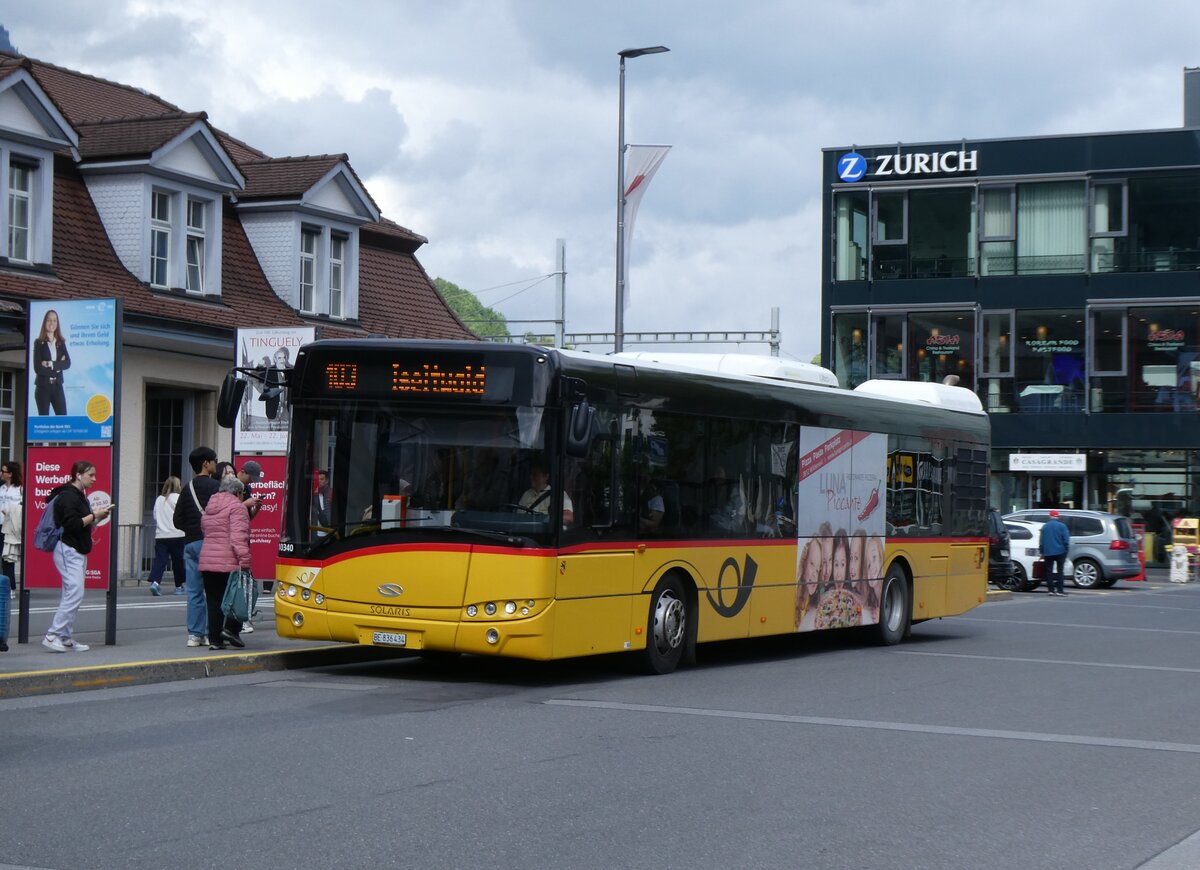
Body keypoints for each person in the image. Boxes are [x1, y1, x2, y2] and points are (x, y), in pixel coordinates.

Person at [42, 460, 112, 652]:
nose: (94, 479)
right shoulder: (69, 496)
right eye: (91, 475)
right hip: (68, 548)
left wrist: (97, 517)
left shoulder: (78, 496)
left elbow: (81, 523)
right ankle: (52, 635)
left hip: (75, 548)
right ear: (78, 475)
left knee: (71, 592)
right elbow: (72, 524)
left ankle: (65, 637)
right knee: (75, 591)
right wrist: (94, 515)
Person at [173, 446, 219, 647]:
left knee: (193, 591)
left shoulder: (187, 488)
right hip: (210, 543)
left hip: (191, 543)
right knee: (212, 591)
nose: (216, 463)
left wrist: (192, 529)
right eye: (214, 460)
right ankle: (209, 632)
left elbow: (177, 520)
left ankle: (194, 634)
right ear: (206, 463)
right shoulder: (216, 487)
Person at [199, 476, 252, 650]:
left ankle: (215, 640)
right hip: (228, 561)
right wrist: (245, 560)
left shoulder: (210, 506)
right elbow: (238, 537)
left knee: (214, 601)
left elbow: (204, 529)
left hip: (207, 560)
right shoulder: (237, 507)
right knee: (236, 596)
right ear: (238, 492)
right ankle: (231, 630)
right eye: (242, 493)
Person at [147, 476, 185, 596]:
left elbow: (155, 516)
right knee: (178, 561)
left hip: (161, 535)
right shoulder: (179, 498)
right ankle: (178, 586)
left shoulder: (159, 499)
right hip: (177, 534)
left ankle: (155, 583)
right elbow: (183, 515)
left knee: (160, 560)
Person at [32, 308, 71, 416]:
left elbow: (67, 363)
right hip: (43, 387)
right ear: (45, 322)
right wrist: (58, 368)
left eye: (54, 320)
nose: (52, 323)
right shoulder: (38, 342)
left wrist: (51, 364)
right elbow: (38, 368)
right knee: (44, 420)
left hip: (58, 386)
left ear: (57, 323)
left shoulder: (61, 343)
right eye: (49, 320)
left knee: (62, 418)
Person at [0, 460, 22, 600]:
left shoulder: (19, 489)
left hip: (11, 527)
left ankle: (11, 587)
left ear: (10, 474)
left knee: (8, 558)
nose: (1, 473)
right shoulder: (1, 488)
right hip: (0, 524)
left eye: (4, 471)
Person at [1039, 509, 1071, 596]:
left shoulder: (1045, 526)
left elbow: (1041, 541)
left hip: (1048, 552)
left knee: (1049, 571)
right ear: (1057, 516)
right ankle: (1060, 590)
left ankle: (1051, 590)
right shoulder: (1062, 526)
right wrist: (1066, 549)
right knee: (1060, 571)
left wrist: (1042, 551)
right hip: (1060, 551)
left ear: (1050, 516)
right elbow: (1066, 540)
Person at [794, 538, 823, 631]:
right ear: (804, 563)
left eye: (817, 570)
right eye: (812, 564)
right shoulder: (793, 596)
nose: (814, 575)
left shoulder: (814, 606)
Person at [638, 464, 665, 533]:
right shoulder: (642, 495)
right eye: (641, 474)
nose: (643, 476)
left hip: (649, 535)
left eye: (647, 475)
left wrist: (637, 519)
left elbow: (654, 524)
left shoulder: (658, 500)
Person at [312, 469, 332, 536]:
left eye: (321, 479)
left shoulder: (330, 493)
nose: (319, 481)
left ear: (327, 481)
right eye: (317, 479)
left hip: (326, 531)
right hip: (316, 531)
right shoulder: (315, 494)